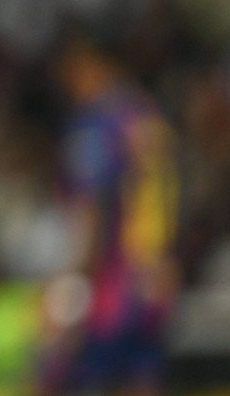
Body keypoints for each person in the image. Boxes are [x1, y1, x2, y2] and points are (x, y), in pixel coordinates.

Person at [39, 35, 180, 396]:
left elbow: (93, 207)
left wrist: (75, 280)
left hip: (111, 287)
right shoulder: (148, 116)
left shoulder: (97, 125)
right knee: (141, 381)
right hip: (153, 281)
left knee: (56, 375)